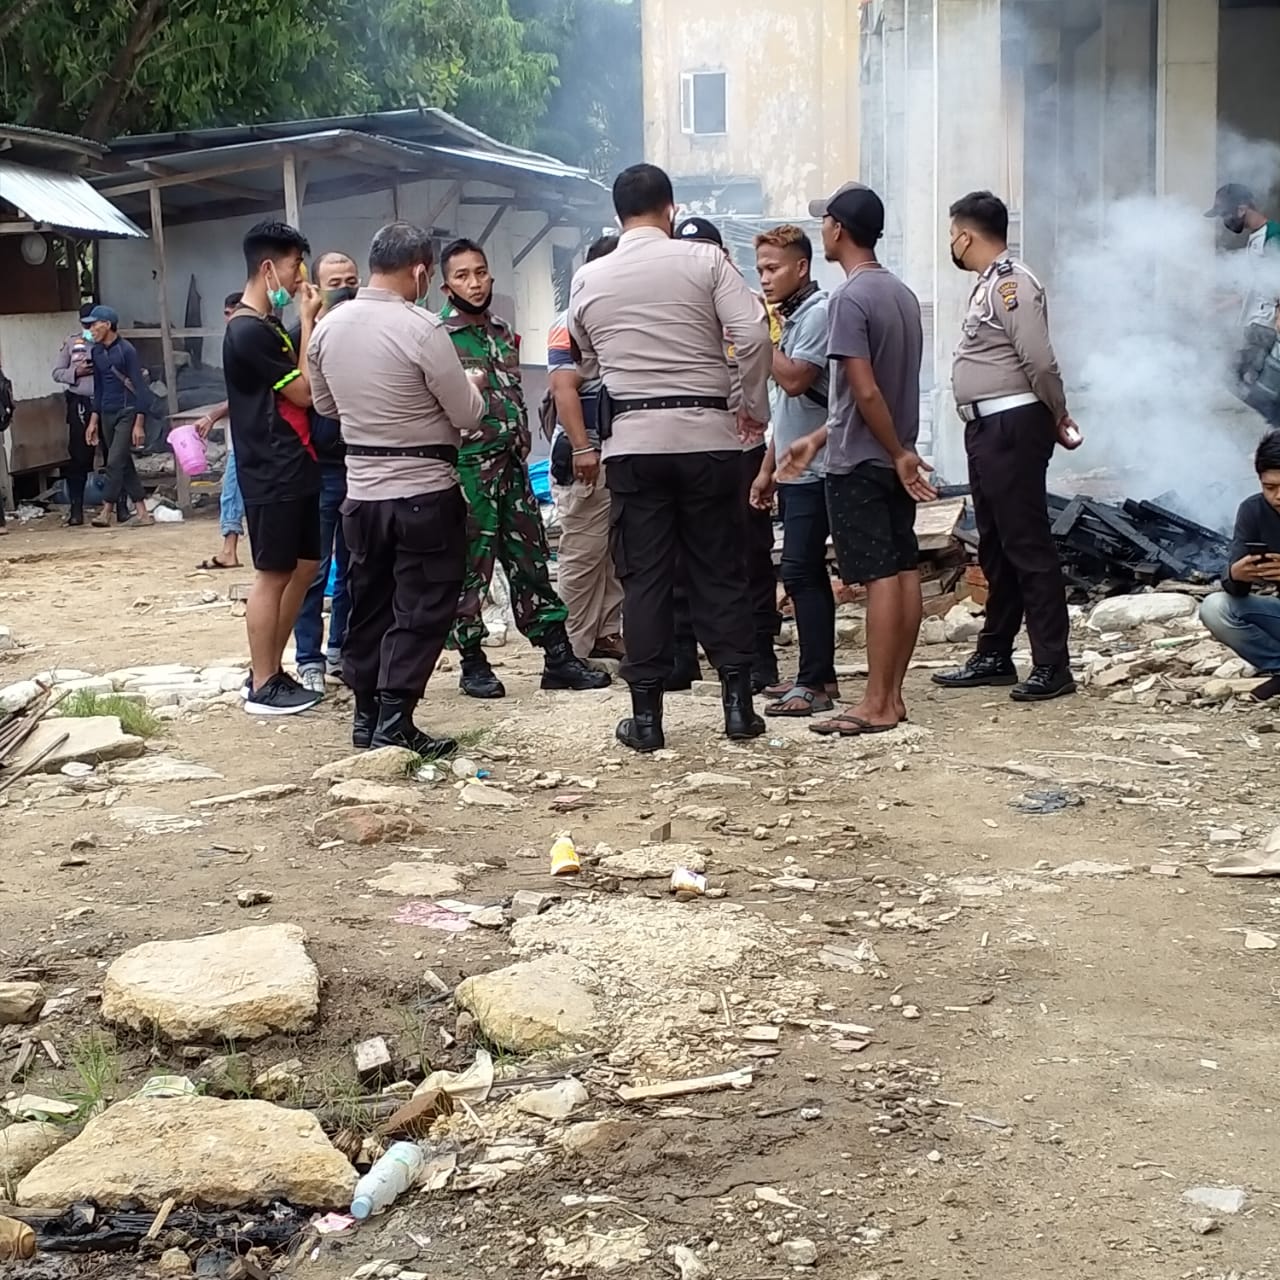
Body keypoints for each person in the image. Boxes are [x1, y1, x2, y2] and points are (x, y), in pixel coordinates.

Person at [569, 162, 771, 751]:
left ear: (617, 215)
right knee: (720, 569)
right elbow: (753, 335)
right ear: (671, 209)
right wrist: (749, 404)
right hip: (709, 435)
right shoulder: (707, 261)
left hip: (633, 443)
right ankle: (738, 708)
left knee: (646, 580)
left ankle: (648, 719)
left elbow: (580, 351)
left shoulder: (590, 278)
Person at [309, 222, 485, 755]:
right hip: (425, 488)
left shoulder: (327, 329)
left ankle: (365, 718)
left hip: (361, 493)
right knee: (424, 605)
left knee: (369, 602)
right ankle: (395, 717)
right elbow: (467, 414)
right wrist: (471, 386)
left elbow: (324, 407)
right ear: (420, 271)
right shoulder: (423, 328)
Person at [777, 184, 929, 735]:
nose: (822, 230)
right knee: (905, 567)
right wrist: (817, 441)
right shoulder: (904, 295)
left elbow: (864, 391)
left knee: (879, 577)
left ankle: (876, 703)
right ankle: (894, 694)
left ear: (839, 229)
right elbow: (871, 393)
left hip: (864, 461)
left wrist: (892, 451)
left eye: (825, 222)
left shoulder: (848, 299)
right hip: (891, 456)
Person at [440, 238, 609, 699]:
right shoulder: (439, 338)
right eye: (462, 275)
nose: (474, 283)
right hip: (469, 469)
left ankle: (557, 656)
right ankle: (472, 662)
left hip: (513, 465)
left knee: (532, 561)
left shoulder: (500, 330)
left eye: (480, 272)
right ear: (445, 285)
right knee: (472, 568)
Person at [932, 190, 1082, 703]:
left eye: (953, 235)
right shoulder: (987, 285)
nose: (952, 244)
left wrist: (1058, 413)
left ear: (966, 235)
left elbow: (1039, 361)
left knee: (1026, 544)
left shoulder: (1013, 283)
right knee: (995, 544)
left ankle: (1052, 663)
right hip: (987, 429)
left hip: (1013, 425)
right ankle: (995, 653)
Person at [674, 215, 781, 692]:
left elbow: (767, 366)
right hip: (690, 445)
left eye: (710, 252)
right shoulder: (670, 309)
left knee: (749, 555)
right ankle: (682, 651)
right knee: (680, 553)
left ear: (724, 257)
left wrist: (756, 417)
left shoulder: (747, 306)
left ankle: (759, 654)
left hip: (742, 448)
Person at [223, 220, 324, 716]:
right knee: (272, 573)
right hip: (271, 465)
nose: (298, 276)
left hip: (296, 460)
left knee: (303, 567)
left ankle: (271, 668)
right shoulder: (246, 331)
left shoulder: (263, 328)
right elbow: (302, 392)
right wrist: (306, 324)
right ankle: (264, 682)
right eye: (292, 266)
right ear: (268, 268)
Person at [749, 224, 838, 717]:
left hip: (821, 465)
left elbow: (798, 380)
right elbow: (783, 411)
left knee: (803, 571)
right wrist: (768, 469)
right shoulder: (790, 316)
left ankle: (814, 684)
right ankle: (817, 675)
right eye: (760, 269)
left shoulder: (816, 314)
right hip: (795, 466)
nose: (764, 278)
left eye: (773, 268)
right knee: (803, 573)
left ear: (801, 267)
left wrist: (760, 338)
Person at [547, 234, 625, 663]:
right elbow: (564, 388)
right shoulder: (570, 323)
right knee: (582, 554)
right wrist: (582, 448)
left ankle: (605, 633)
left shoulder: (616, 318)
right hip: (587, 458)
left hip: (617, 453)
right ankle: (572, 650)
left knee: (611, 555)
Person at [292, 251, 359, 696]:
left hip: (362, 465)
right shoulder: (299, 335)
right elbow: (305, 396)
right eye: (335, 281)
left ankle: (343, 650)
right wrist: (312, 323)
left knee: (356, 567)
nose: (345, 288)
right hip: (318, 469)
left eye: (352, 279)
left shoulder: (369, 332)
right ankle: (309, 658)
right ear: (314, 287)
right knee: (314, 570)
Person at [1200, 429, 1280, 702]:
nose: (1278, 497)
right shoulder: (1253, 511)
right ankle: (1277, 666)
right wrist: (1236, 574)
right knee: (1215, 608)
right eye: (1270, 488)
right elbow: (1235, 588)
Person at [53, 304, 127, 526]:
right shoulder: (71, 342)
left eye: (92, 324)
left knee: (115, 455)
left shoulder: (113, 344)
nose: (89, 328)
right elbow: (56, 372)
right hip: (81, 404)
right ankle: (76, 510)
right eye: (85, 324)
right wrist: (77, 372)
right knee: (78, 456)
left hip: (109, 403)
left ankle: (121, 507)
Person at [1206, 183, 1280, 401]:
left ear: (1241, 209)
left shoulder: (1272, 236)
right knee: (1243, 379)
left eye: (1226, 214)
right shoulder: (1255, 238)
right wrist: (1223, 304)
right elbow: (1259, 287)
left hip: (1268, 326)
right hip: (1257, 325)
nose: (1224, 221)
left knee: (1239, 377)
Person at [84, 305, 153, 529]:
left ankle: (106, 509)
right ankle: (143, 513)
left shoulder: (126, 351)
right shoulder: (96, 352)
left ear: (108, 324)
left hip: (127, 412)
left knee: (113, 462)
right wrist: (93, 421)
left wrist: (139, 423)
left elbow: (140, 388)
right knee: (123, 461)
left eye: (94, 324)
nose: (90, 329)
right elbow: (99, 387)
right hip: (106, 412)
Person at [196, 293, 245, 570]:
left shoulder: (246, 343)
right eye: (226, 313)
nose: (229, 319)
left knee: (232, 490)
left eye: (233, 312)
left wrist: (213, 414)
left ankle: (229, 551)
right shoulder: (234, 343)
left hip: (249, 437)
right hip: (243, 434)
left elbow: (242, 394)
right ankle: (229, 549)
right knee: (234, 491)